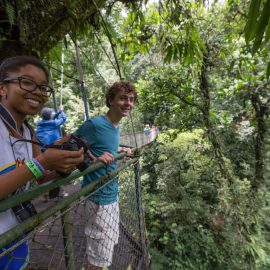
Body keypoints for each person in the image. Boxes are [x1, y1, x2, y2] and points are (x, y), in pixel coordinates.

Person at [0, 55, 84, 269]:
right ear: (2, 88)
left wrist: (61, 165)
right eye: (27, 82)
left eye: (44, 87)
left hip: (16, 234)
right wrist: (44, 161)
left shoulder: (28, 130)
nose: (38, 91)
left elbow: (38, 176)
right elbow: (37, 166)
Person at [75, 80, 136, 270]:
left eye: (132, 99)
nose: (128, 103)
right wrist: (92, 159)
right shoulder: (94, 125)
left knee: (106, 247)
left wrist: (119, 150)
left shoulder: (115, 126)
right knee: (97, 256)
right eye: (123, 98)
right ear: (111, 100)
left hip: (110, 194)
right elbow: (70, 150)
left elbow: (102, 146)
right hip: (98, 197)